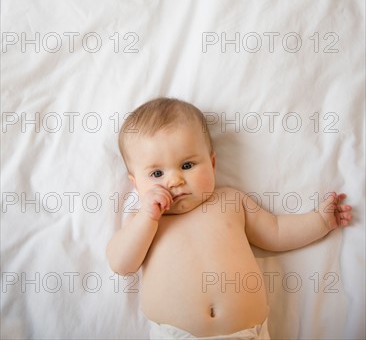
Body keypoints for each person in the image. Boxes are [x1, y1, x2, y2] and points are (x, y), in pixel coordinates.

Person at [106, 97, 352, 340]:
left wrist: (320, 221)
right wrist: (147, 217)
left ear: (212, 164)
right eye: (157, 173)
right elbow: (121, 264)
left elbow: (276, 232)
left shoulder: (230, 202)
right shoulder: (144, 222)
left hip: (247, 334)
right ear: (136, 184)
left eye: (188, 165)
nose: (175, 181)